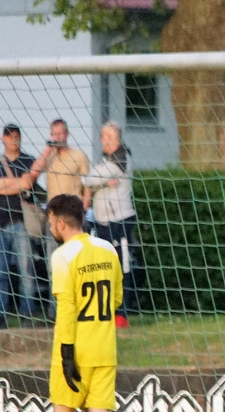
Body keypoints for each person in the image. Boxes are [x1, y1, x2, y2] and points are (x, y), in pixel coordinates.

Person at [45, 194, 133, 412]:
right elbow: (117, 298)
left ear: (60, 223)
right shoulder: (107, 249)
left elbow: (67, 308)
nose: (51, 229)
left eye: (51, 223)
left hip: (74, 347)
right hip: (105, 347)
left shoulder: (63, 256)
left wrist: (67, 354)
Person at [30, 118, 90, 320]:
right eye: (54, 134)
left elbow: (87, 186)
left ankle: (79, 308)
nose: (58, 137)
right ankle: (54, 312)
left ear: (67, 134)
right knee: (53, 264)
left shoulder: (79, 156)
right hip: (53, 220)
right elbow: (33, 174)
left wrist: (84, 208)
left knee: (76, 263)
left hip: (73, 218)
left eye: (61, 133)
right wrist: (48, 149)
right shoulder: (49, 157)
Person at [82, 121, 140, 328]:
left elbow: (88, 179)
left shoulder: (120, 158)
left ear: (112, 138)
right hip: (103, 223)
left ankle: (122, 314)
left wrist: (98, 181)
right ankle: (107, 310)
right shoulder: (107, 160)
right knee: (105, 267)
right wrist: (103, 183)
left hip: (119, 222)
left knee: (122, 266)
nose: (100, 140)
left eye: (103, 136)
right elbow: (93, 179)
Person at [0, 123, 38, 328]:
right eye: (9, 137)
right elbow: (20, 184)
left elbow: (27, 184)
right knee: (1, 273)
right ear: (3, 139)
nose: (13, 140)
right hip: (1, 223)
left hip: (21, 223)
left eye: (16, 136)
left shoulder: (28, 160)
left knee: (26, 270)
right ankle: (1, 315)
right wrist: (17, 184)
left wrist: (7, 185)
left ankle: (27, 313)